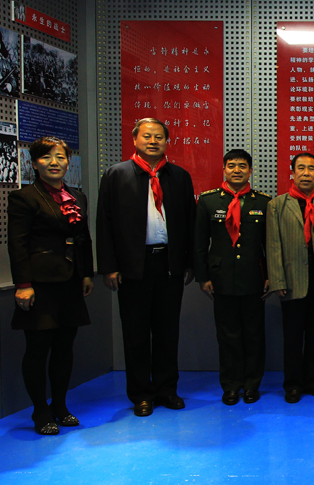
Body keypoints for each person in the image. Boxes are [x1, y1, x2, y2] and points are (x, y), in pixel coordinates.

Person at [97, 118, 195, 417]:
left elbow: (189, 222)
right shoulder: (116, 174)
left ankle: (167, 389)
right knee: (136, 332)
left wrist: (188, 261)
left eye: (159, 137)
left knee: (167, 331)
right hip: (132, 266)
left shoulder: (179, 176)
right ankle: (141, 394)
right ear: (135, 139)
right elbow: (105, 223)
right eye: (147, 136)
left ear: (167, 141)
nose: (153, 141)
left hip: (168, 264)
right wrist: (109, 267)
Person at [7, 137, 93, 435]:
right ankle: (40, 411)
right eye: (47, 158)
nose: (54, 162)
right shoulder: (24, 197)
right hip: (38, 284)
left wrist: (86, 274)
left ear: (69, 163)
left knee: (64, 348)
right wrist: (23, 284)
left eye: (60, 157)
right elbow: (17, 245)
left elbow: (83, 239)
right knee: (37, 348)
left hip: (70, 282)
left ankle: (60, 405)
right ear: (34, 163)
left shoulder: (77, 197)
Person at [194, 149, 272, 405]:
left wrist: (271, 276)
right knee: (227, 336)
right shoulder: (208, 201)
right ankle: (230, 385)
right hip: (221, 278)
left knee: (253, 335)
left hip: (254, 278)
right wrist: (203, 276)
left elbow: (270, 244)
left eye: (242, 166)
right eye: (231, 165)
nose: (236, 170)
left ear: (250, 171)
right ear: (224, 169)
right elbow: (199, 243)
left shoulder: (263, 202)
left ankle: (251, 385)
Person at [267, 152, 314, 403]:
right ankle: (292, 384)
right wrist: (278, 280)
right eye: (301, 169)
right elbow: (273, 245)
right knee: (293, 336)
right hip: (292, 281)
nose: (306, 173)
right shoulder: (277, 205)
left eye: (311, 169)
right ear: (292, 173)